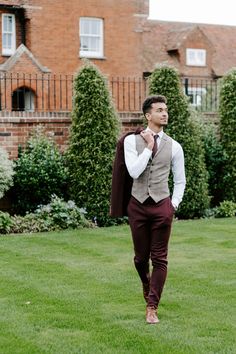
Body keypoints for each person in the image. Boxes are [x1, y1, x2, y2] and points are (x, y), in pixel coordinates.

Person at [123, 95, 186, 324]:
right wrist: (149, 147)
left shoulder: (175, 146)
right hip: (138, 206)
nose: (165, 113)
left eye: (166, 110)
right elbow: (134, 172)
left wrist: (173, 205)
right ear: (148, 115)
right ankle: (146, 282)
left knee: (160, 258)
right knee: (141, 259)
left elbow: (180, 181)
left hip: (162, 206)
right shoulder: (132, 142)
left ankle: (152, 306)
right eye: (159, 110)